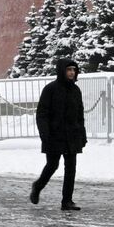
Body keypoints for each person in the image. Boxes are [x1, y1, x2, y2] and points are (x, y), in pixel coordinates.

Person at [29, 59, 86, 211]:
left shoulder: (76, 90)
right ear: (62, 71)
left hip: (72, 134)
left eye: (74, 70)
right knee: (52, 165)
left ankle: (67, 200)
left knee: (71, 168)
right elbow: (42, 114)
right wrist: (45, 134)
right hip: (54, 134)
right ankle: (38, 186)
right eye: (69, 70)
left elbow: (80, 114)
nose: (72, 73)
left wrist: (82, 134)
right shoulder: (51, 89)